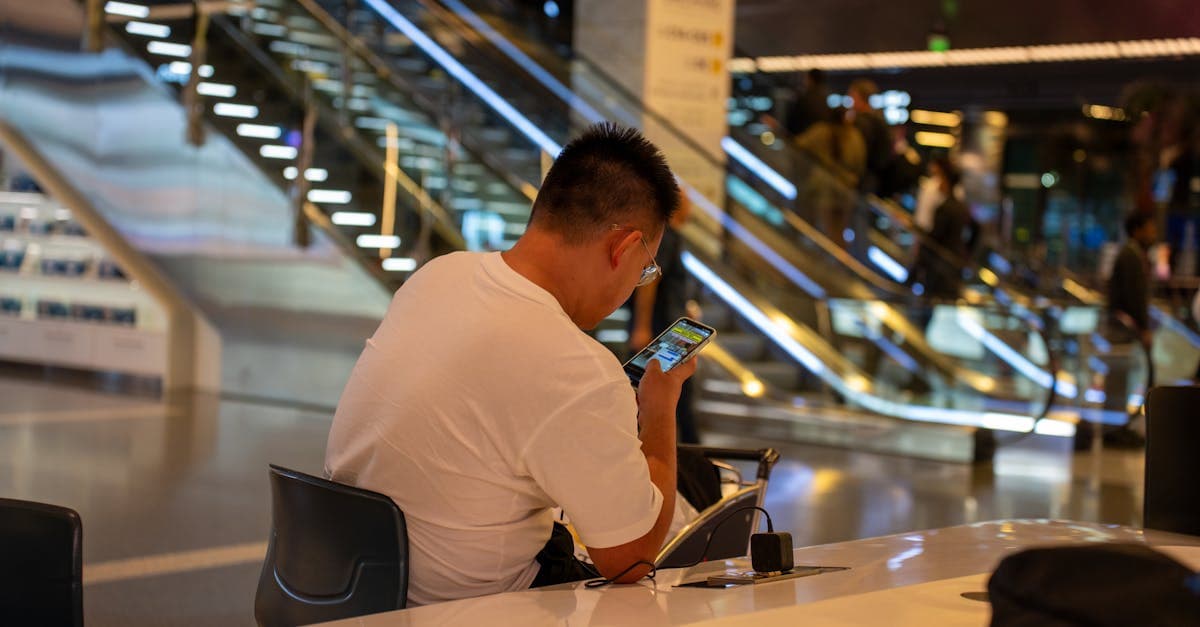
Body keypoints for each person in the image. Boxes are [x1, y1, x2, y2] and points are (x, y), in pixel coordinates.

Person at [325, 123, 692, 605]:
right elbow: (630, 557)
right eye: (645, 269)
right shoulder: (576, 366)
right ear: (622, 248)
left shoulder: (439, 274)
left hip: (345, 588)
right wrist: (660, 409)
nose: (635, 286)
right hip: (465, 609)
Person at [628, 190, 700, 444]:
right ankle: (689, 452)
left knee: (680, 395)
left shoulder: (672, 236)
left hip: (671, 325)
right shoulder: (665, 236)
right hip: (662, 329)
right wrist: (642, 326)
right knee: (673, 394)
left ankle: (689, 450)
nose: (692, 207)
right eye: (687, 201)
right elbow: (650, 282)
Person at [911, 158, 971, 300]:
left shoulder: (946, 208)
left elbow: (935, 238)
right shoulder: (959, 206)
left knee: (932, 299)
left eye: (938, 177)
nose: (936, 182)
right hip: (953, 262)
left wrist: (916, 264)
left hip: (939, 264)